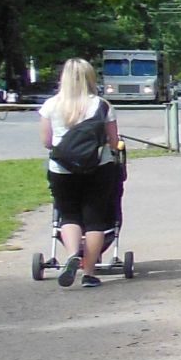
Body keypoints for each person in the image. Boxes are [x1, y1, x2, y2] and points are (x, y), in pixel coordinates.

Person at [39, 57, 122, 287]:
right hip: (98, 167)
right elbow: (114, 142)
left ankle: (72, 254)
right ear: (90, 78)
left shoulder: (51, 105)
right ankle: (89, 273)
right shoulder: (102, 105)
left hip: (62, 168)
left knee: (69, 215)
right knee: (95, 219)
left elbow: (47, 141)